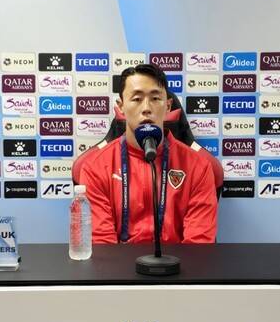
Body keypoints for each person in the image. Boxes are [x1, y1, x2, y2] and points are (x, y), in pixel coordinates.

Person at [78, 64, 218, 244]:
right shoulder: (95, 167)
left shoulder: (198, 166)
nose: (146, 108)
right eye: (137, 99)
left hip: (179, 261)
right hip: (118, 262)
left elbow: (199, 245)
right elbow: (102, 246)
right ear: (121, 107)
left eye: (155, 98)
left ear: (168, 106)